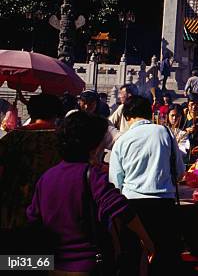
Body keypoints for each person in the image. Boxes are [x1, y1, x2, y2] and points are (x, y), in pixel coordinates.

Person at [26, 111, 155, 273]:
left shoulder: (46, 177)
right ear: (92, 144)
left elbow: (33, 218)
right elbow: (122, 208)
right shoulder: (92, 176)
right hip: (88, 265)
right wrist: (147, 240)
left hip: (53, 265)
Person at [109, 95, 185, 275]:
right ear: (149, 113)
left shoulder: (122, 140)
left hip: (131, 207)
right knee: (163, 258)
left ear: (127, 117)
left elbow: (115, 182)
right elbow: (180, 172)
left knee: (132, 257)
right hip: (163, 204)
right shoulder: (164, 132)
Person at [0, 94, 63, 229]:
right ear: (56, 113)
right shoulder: (64, 139)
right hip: (53, 208)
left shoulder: (14, 138)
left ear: (30, 112)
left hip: (15, 207)